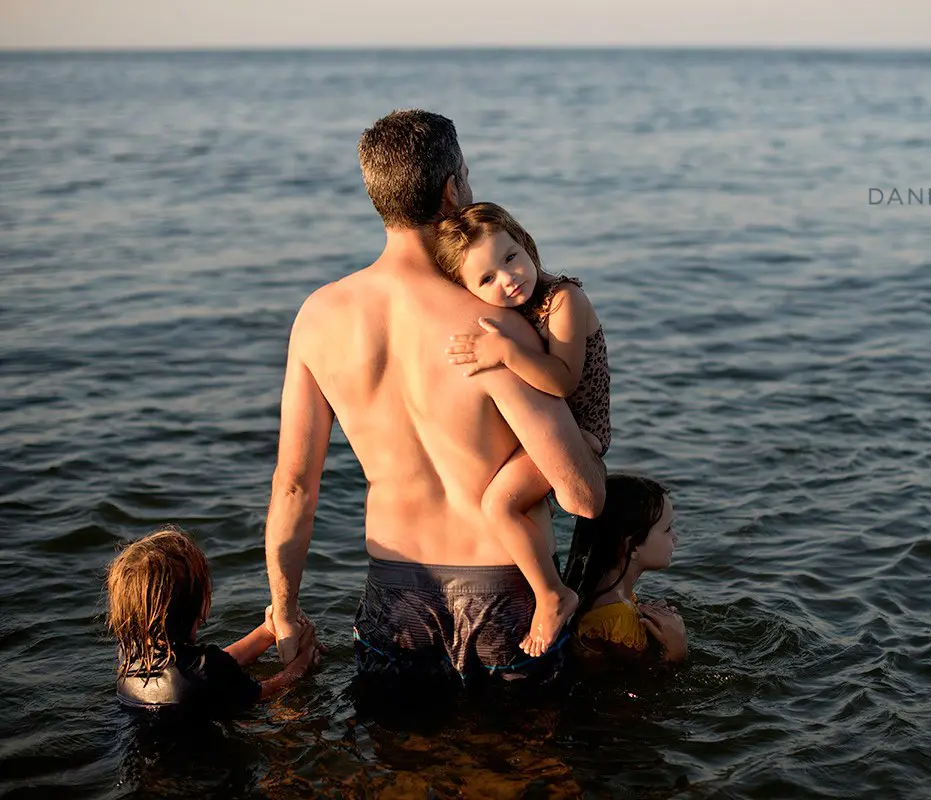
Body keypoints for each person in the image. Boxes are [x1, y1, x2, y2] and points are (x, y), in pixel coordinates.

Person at [263, 109, 606, 694]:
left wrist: (285, 611)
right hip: (504, 592)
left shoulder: (317, 317)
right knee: (525, 773)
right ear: (454, 190)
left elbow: (296, 485)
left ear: (379, 197)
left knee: (401, 767)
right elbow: (583, 497)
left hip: (394, 595)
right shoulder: (492, 329)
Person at [433, 201, 611, 658]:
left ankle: (553, 595)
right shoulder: (518, 305)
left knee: (499, 502)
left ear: (526, 243)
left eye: (511, 258)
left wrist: (506, 353)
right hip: (549, 429)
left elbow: (563, 379)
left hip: (583, 430)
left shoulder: (563, 300)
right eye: (486, 279)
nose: (508, 279)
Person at [105, 527, 318, 712]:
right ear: (202, 604)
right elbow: (267, 691)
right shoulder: (206, 671)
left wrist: (267, 632)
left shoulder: (132, 656)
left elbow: (211, 669)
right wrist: (305, 657)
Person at [563, 474, 687, 664]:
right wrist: (677, 650)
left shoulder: (598, 593)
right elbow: (642, 689)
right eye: (667, 528)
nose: (675, 537)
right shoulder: (616, 620)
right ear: (633, 546)